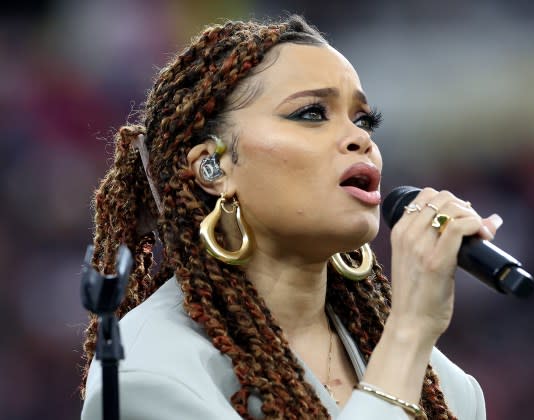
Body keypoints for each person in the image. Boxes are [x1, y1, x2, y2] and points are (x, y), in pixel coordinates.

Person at [80, 15, 500, 420]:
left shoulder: (446, 388)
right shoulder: (149, 374)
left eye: (364, 120)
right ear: (213, 167)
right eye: (312, 113)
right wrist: (408, 332)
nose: (360, 139)